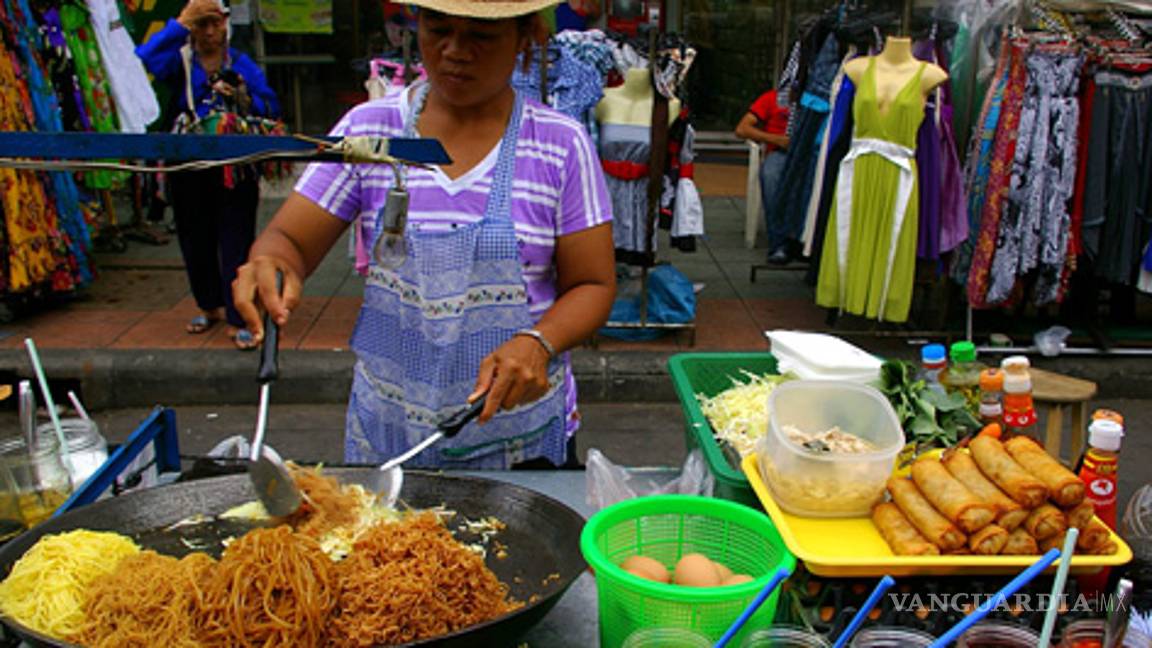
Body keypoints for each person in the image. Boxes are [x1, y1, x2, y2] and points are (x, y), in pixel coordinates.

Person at [232, 0, 616, 469]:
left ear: (526, 37)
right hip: (391, 435)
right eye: (438, 29)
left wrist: (540, 341)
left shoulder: (560, 144)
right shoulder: (370, 133)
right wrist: (271, 263)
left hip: (520, 441)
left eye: (481, 35)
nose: (455, 51)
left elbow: (593, 285)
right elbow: (288, 240)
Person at [136, 0, 279, 349]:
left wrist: (242, 94)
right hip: (189, 166)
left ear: (226, 23)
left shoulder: (240, 63)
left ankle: (238, 314)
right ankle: (209, 305)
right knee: (194, 236)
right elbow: (145, 57)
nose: (210, 32)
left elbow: (270, 105)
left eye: (215, 24)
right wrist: (180, 24)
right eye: (202, 25)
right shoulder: (180, 62)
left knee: (235, 238)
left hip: (234, 169)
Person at [734, 87, 791, 264]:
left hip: (810, 153)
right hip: (780, 152)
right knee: (771, 176)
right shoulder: (772, 98)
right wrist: (776, 139)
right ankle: (779, 243)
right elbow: (742, 129)